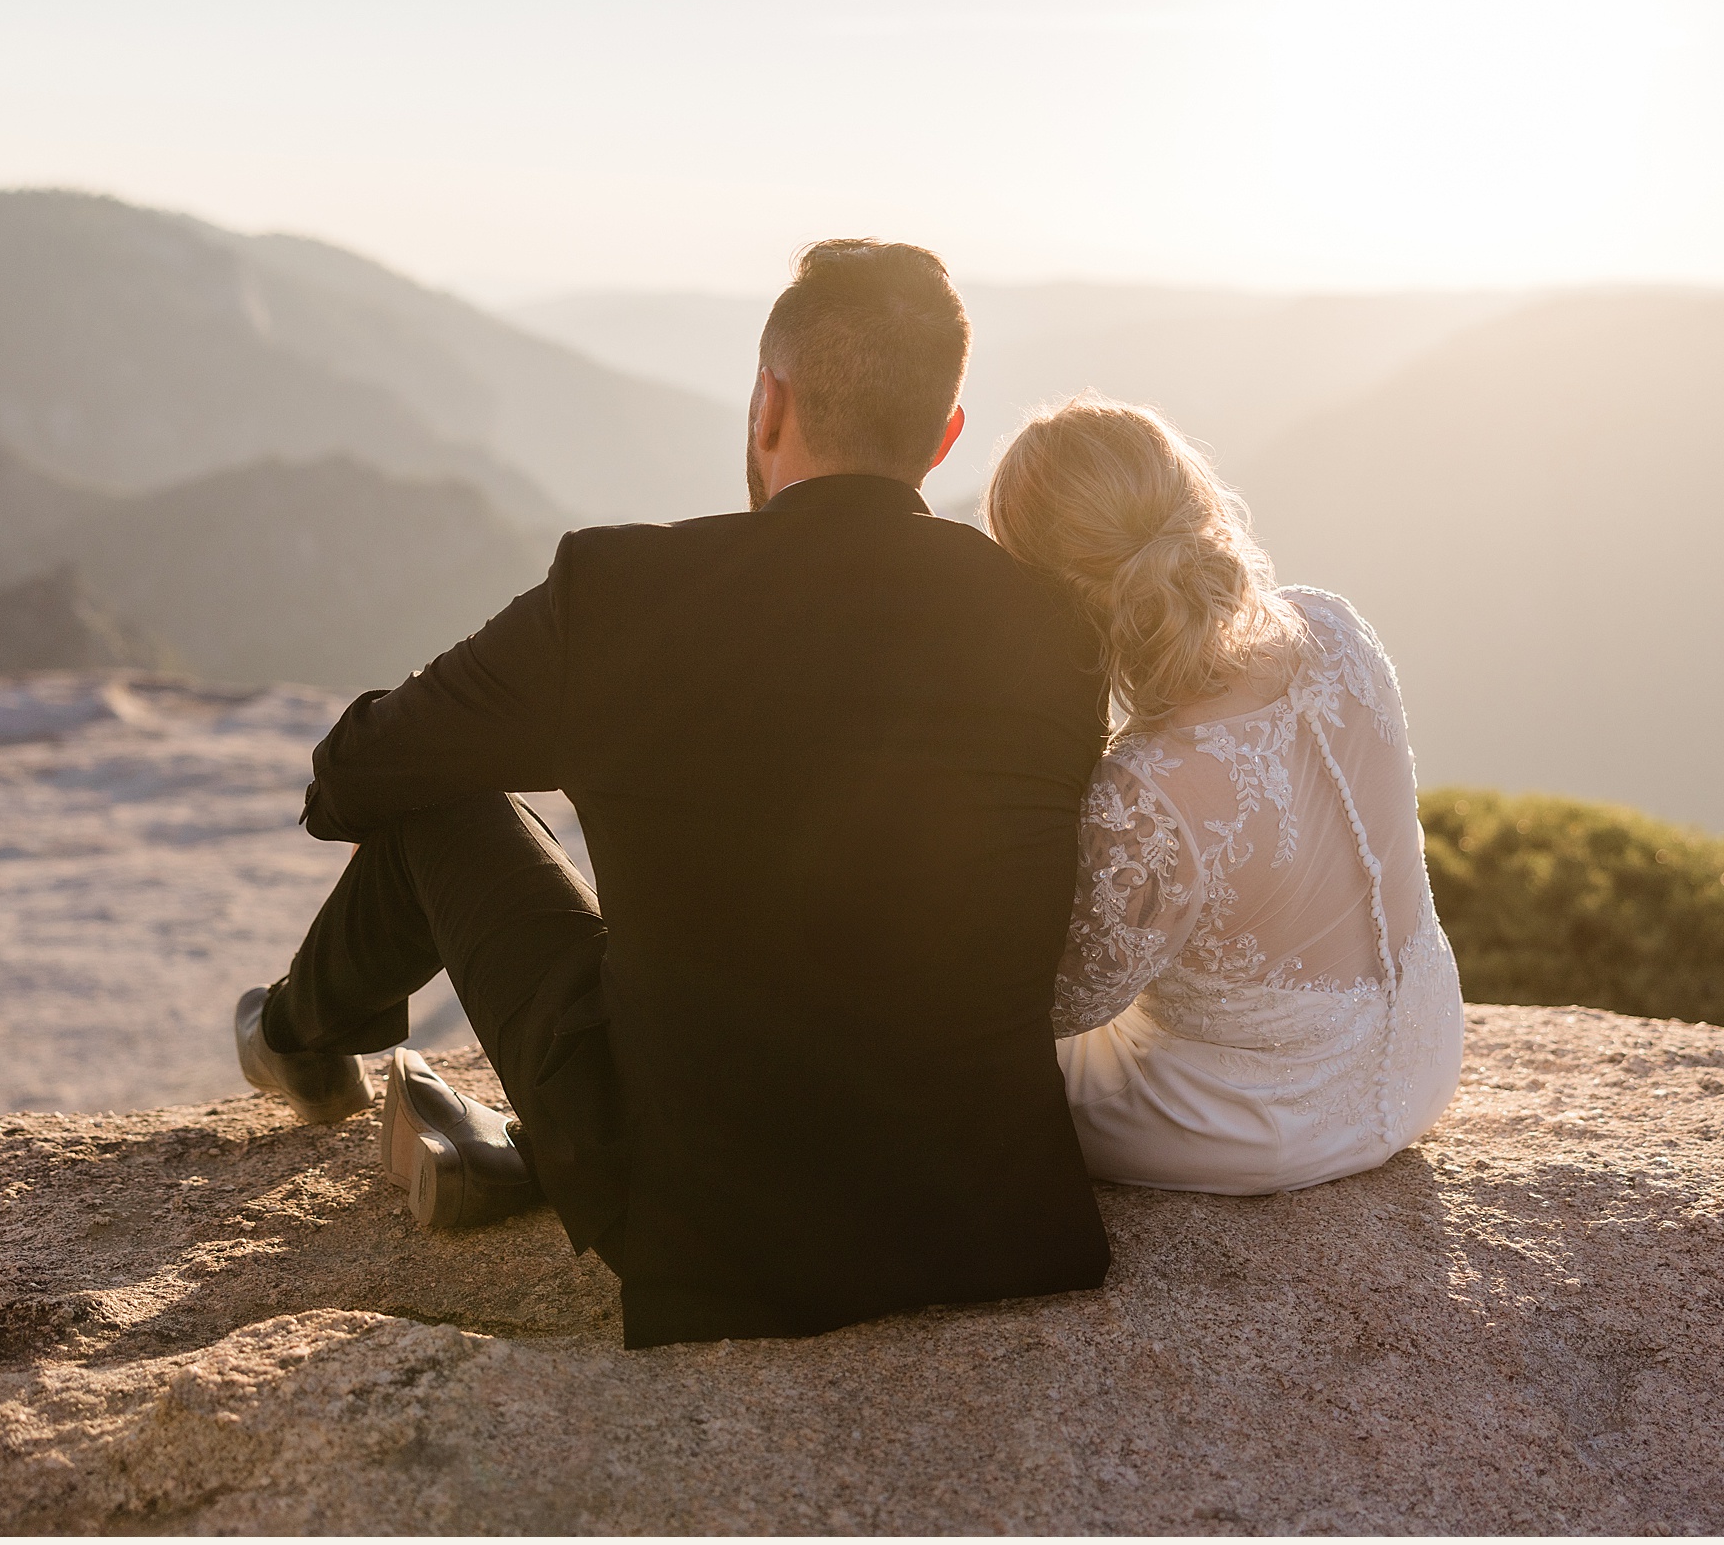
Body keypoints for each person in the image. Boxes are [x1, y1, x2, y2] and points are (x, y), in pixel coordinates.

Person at [233, 241, 1114, 1349]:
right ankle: (355, 1063)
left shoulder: (621, 595)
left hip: (710, 1236)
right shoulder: (1053, 624)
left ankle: (296, 1035)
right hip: (995, 1222)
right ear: (943, 439)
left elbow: (355, 776)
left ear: (766, 402)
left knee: (446, 802)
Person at [983, 395, 1465, 1195]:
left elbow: (1065, 1004)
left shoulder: (1144, 792)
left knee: (1005, 1070)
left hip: (1260, 1122)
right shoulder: (1334, 629)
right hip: (1425, 1049)